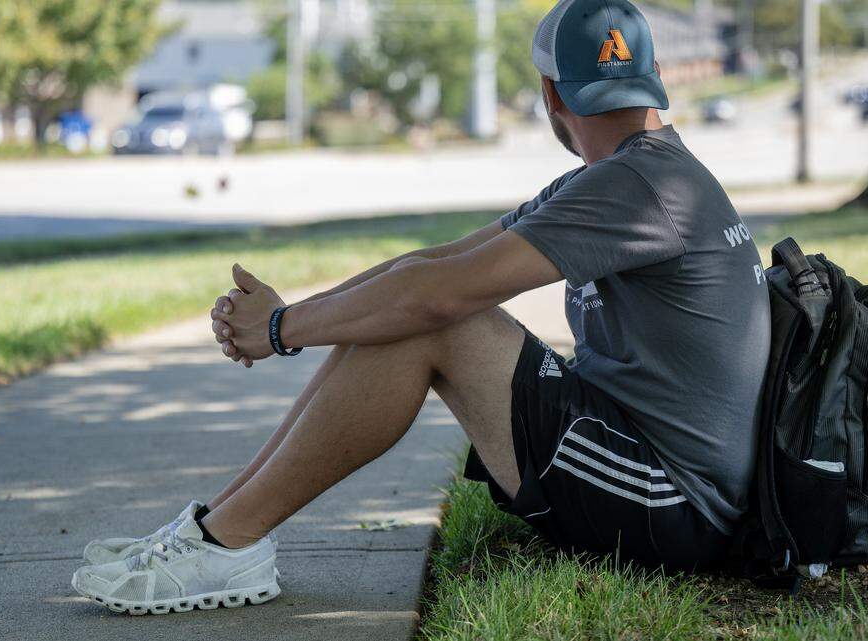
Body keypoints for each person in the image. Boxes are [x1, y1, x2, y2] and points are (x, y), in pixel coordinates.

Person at [71, 0, 770, 616]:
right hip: (639, 461)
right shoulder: (628, 175)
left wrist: (283, 330)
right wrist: (292, 316)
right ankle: (216, 527)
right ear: (651, 83)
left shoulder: (641, 186)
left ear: (550, 94)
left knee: (437, 320)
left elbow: (437, 295)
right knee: (410, 306)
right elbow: (427, 265)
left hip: (674, 503)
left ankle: (228, 542)